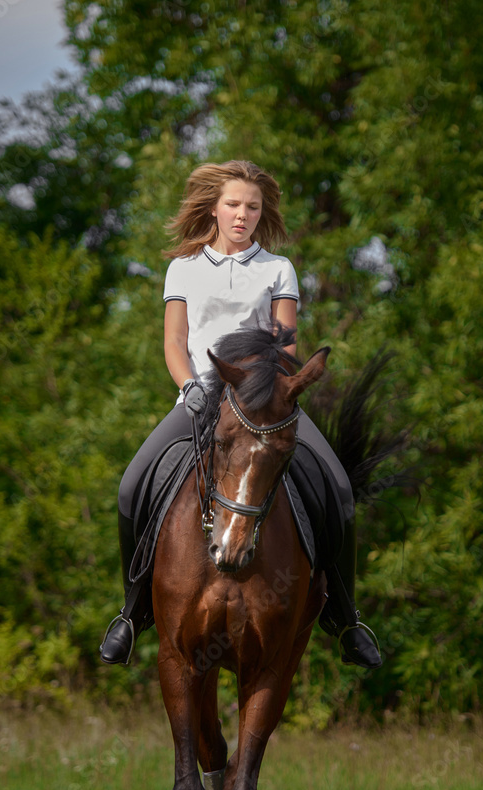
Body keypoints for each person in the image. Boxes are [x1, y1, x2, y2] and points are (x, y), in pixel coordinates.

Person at [99, 160, 382, 669]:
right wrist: (189, 388)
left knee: (338, 489)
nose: (242, 215)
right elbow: (174, 341)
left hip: (262, 400)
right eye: (233, 204)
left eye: (252, 207)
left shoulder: (278, 268)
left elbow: (285, 341)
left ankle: (347, 618)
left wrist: (258, 381)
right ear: (213, 206)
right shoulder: (183, 268)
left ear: (260, 213)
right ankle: (132, 610)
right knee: (130, 486)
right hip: (200, 396)